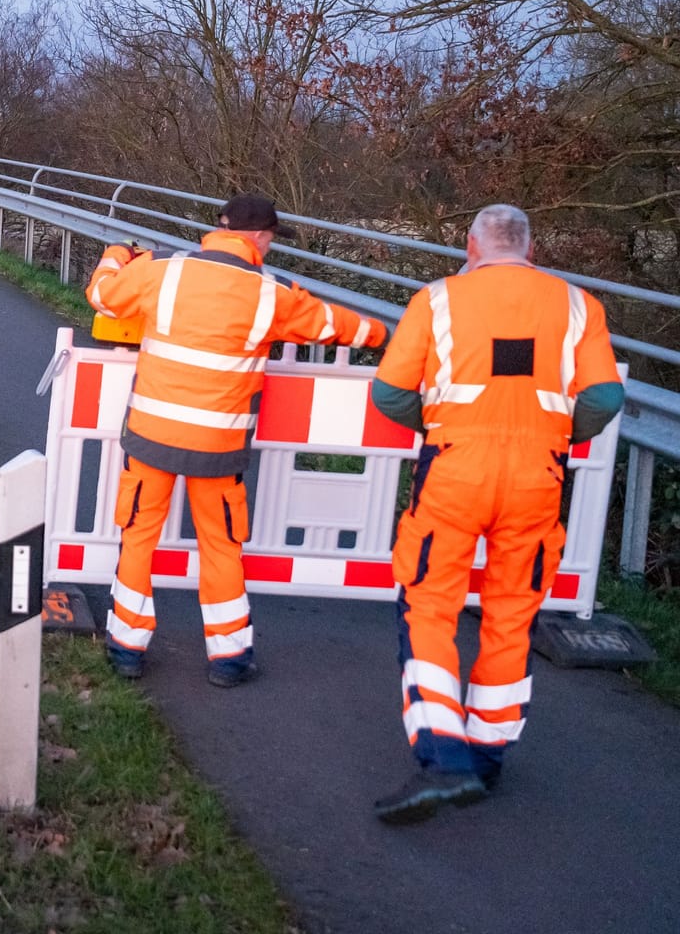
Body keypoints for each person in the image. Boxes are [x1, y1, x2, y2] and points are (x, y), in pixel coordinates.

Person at [368, 203, 624, 824]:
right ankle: (486, 757)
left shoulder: (437, 300)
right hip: (539, 476)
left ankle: (442, 758)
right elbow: (605, 395)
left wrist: (439, 425)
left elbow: (390, 392)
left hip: (455, 469)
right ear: (531, 249)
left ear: (471, 245)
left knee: (429, 603)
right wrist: (555, 437)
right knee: (513, 612)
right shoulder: (578, 305)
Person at [86, 194, 386, 686]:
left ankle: (127, 648)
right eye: (270, 238)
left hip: (151, 437)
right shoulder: (270, 294)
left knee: (139, 536)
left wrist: (118, 254)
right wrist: (384, 332)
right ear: (259, 237)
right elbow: (336, 326)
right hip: (218, 449)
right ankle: (228, 658)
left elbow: (102, 295)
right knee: (221, 546)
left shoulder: (164, 272)